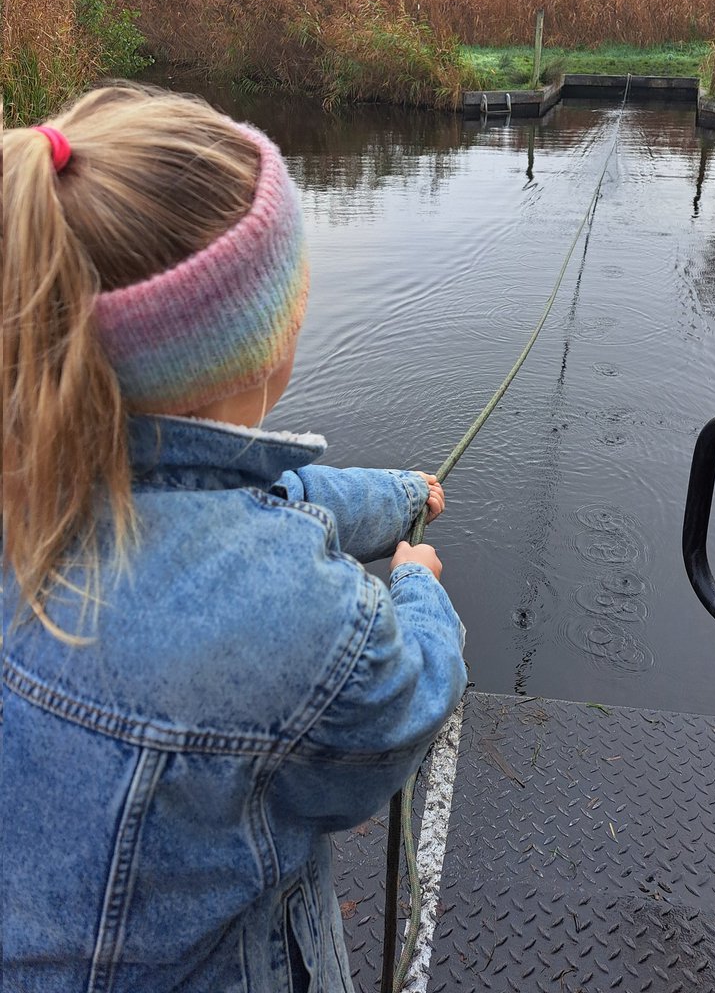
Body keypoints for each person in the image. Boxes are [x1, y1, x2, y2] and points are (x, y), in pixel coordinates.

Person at [2, 84, 467, 993]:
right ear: (264, 345)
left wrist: (401, 493)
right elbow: (401, 711)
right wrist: (416, 585)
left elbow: (241, 502)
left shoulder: (46, 469)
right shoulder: (297, 613)